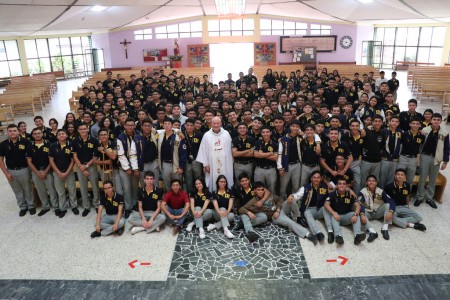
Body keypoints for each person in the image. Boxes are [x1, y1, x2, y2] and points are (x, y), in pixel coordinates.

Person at [416, 113, 449, 209]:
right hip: (425, 157)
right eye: (434, 119)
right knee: (422, 177)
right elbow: (419, 143)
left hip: (436, 158)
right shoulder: (424, 131)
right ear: (431, 120)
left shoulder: (445, 133)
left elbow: (447, 148)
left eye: (438, 120)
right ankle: (420, 197)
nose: (436, 121)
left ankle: (429, 198)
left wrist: (445, 161)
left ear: (441, 121)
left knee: (433, 179)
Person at [0, 124, 34, 216]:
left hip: (24, 169)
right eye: (10, 131)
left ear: (18, 131)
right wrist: (6, 173)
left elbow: (30, 158)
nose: (12, 133)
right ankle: (22, 207)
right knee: (17, 190)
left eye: (14, 130)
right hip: (11, 171)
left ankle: (31, 206)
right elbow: (1, 160)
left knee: (28, 189)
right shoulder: (3, 144)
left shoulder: (26, 142)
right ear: (7, 132)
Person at [323, 177, 366, 245]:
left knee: (355, 214)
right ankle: (338, 236)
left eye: (344, 184)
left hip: (346, 216)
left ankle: (357, 235)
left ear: (346, 186)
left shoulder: (350, 194)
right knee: (334, 214)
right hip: (336, 217)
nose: (342, 185)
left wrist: (355, 215)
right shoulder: (332, 194)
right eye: (340, 184)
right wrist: (333, 213)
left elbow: (358, 205)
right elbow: (326, 204)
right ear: (336, 186)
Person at [196, 116, 234, 192]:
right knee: (212, 182)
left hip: (225, 163)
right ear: (211, 123)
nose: (216, 125)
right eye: (214, 123)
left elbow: (230, 150)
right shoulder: (207, 135)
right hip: (211, 164)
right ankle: (213, 196)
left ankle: (225, 195)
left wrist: (230, 163)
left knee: (225, 177)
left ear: (221, 123)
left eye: (218, 123)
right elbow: (203, 150)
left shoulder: (226, 134)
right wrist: (205, 164)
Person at [117, 117, 145, 218]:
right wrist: (127, 168)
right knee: (127, 188)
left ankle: (134, 204)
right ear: (124, 126)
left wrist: (135, 168)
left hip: (136, 166)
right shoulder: (120, 137)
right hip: (124, 168)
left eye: (132, 125)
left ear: (135, 125)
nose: (130, 127)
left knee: (134, 187)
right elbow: (121, 155)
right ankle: (128, 207)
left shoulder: (138, 134)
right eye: (128, 125)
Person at [288, 171, 328, 242]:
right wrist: (292, 196)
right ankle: (317, 232)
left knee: (327, 209)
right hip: (309, 210)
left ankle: (330, 231)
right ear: (311, 178)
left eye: (318, 178)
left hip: (320, 209)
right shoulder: (306, 188)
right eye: (314, 177)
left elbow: (334, 193)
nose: (316, 179)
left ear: (321, 178)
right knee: (307, 213)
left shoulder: (325, 187)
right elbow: (297, 195)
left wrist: (348, 189)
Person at [26, 128, 58, 216]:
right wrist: (37, 173)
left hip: (48, 171)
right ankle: (45, 207)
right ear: (32, 135)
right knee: (41, 190)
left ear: (42, 134)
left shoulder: (49, 145)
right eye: (35, 134)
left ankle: (56, 207)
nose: (37, 135)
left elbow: (52, 160)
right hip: (36, 172)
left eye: (39, 133)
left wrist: (45, 172)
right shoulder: (30, 146)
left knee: (52, 190)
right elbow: (29, 162)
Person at [72, 122, 100, 217]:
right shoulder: (75, 141)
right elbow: (74, 156)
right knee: (83, 187)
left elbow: (95, 156)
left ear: (88, 129)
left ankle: (96, 204)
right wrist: (81, 167)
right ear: (78, 131)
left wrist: (87, 166)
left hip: (91, 166)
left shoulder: (94, 140)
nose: (83, 131)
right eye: (81, 129)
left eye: (85, 128)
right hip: (80, 167)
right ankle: (86, 206)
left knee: (95, 186)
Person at [49, 129, 78, 218]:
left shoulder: (71, 145)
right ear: (57, 136)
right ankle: (63, 208)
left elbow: (73, 160)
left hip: (68, 172)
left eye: (63, 133)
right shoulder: (53, 146)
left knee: (71, 190)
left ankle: (74, 206)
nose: (61, 135)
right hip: (57, 173)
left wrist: (67, 172)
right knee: (60, 192)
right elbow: (51, 160)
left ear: (66, 135)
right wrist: (58, 172)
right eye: (59, 134)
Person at [358, 175, 396, 241]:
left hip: (378, 212)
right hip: (368, 212)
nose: (371, 182)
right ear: (366, 182)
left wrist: (390, 212)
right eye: (369, 181)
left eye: (373, 181)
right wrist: (362, 214)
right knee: (357, 213)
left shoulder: (380, 191)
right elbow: (359, 204)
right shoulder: (362, 192)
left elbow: (391, 201)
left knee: (387, 205)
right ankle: (372, 232)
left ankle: (385, 228)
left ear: (376, 183)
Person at [156, 118, 188, 191]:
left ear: (171, 125)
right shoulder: (160, 135)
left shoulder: (178, 136)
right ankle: (169, 201)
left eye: (169, 124)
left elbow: (183, 153)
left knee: (178, 185)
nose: (167, 125)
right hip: (165, 164)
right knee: (167, 185)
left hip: (176, 165)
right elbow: (152, 130)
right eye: (165, 124)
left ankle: (179, 201)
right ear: (163, 125)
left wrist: (181, 166)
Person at [397, 117, 424, 189]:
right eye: (413, 123)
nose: (415, 125)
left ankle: (407, 195)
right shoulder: (404, 134)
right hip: (403, 158)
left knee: (410, 179)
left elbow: (421, 148)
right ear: (410, 124)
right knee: (398, 177)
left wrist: (418, 160)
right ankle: (397, 194)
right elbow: (399, 146)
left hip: (413, 159)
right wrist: (398, 157)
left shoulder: (421, 136)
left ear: (420, 125)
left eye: (417, 124)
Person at [253, 125, 278, 193]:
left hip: (271, 169)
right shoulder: (258, 142)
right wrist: (269, 153)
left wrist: (261, 154)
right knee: (259, 189)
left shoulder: (275, 144)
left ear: (270, 133)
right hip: (259, 169)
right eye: (263, 132)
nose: (265, 134)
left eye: (267, 132)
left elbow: (275, 157)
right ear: (261, 133)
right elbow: (256, 155)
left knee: (272, 188)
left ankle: (271, 203)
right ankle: (260, 202)